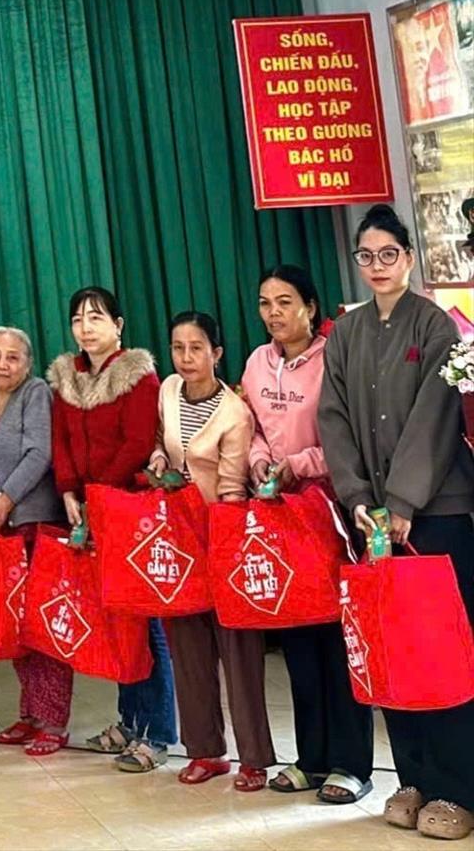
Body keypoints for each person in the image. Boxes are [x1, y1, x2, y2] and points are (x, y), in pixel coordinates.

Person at [319, 204, 474, 839]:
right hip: (373, 521)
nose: (378, 265)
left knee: (443, 655)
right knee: (391, 652)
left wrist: (404, 501)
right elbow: (332, 417)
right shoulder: (346, 333)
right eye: (367, 256)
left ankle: (457, 788)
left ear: (408, 258)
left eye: (389, 254)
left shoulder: (434, 324)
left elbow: (436, 418)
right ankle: (411, 777)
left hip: (436, 515)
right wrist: (357, 495)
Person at [241, 265, 372, 805]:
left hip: (327, 510)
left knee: (336, 641)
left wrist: (297, 464)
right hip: (277, 515)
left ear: (311, 307)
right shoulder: (256, 361)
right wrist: (257, 461)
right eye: (265, 302)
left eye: (285, 302)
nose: (274, 313)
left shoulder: (333, 358)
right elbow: (250, 425)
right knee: (296, 637)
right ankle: (311, 759)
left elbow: (348, 438)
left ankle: (353, 765)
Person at [47, 286, 175, 774]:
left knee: (146, 623)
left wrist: (97, 494)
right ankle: (129, 720)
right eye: (78, 319)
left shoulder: (138, 376)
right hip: (86, 509)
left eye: (96, 317)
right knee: (116, 624)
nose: (86, 327)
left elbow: (137, 442)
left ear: (118, 325)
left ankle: (157, 732)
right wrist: (69, 492)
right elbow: (60, 441)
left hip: (127, 509)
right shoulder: (66, 376)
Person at [153, 312, 276, 791]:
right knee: (188, 651)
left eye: (196, 348)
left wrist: (218, 544)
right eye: (178, 347)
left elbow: (232, 488)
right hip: (177, 540)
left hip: (222, 536)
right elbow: (162, 442)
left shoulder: (234, 412)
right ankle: (205, 751)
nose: (186, 358)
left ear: (217, 354)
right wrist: (158, 458)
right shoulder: (168, 390)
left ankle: (254, 759)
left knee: (239, 653)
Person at [0, 326, 72, 757]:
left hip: (33, 522)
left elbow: (40, 453)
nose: (3, 364)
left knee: (43, 626)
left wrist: (6, 499)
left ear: (27, 363)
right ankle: (30, 713)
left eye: (13, 357)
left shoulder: (36, 393)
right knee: (16, 625)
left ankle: (54, 722)